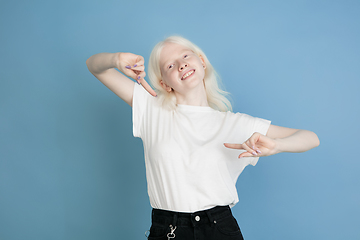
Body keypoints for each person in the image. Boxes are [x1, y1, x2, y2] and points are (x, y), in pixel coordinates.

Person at [86, 36, 320, 240]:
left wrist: (277, 145)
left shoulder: (235, 123)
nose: (181, 64)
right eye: (170, 65)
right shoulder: (151, 109)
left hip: (220, 229)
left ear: (202, 61)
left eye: (186, 55)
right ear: (164, 84)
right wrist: (116, 59)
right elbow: (94, 67)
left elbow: (310, 138)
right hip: (168, 230)